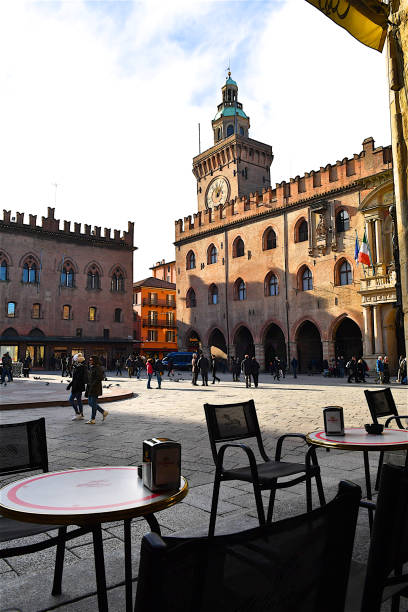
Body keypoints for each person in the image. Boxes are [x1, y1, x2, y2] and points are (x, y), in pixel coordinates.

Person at [85, 355, 108, 425]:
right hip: (91, 387)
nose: (90, 361)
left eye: (91, 360)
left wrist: (92, 385)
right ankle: (103, 412)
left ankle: (93, 419)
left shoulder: (98, 368)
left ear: (95, 361)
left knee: (93, 403)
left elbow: (99, 378)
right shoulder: (92, 367)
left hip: (95, 388)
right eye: (90, 360)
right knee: (90, 402)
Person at [67, 353, 88, 420]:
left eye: (74, 360)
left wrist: (70, 385)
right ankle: (81, 414)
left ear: (77, 360)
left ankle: (77, 413)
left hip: (77, 386)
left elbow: (76, 379)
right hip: (80, 386)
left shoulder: (79, 367)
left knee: (71, 400)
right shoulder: (81, 366)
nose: (73, 361)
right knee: (79, 400)